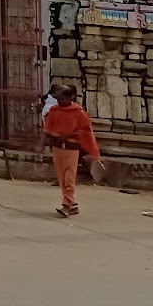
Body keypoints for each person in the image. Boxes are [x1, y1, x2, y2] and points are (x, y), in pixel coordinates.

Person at [43, 85, 103, 217]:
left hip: (72, 148)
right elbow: (48, 127)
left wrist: (69, 135)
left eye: (62, 99)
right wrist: (49, 137)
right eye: (57, 99)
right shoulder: (54, 110)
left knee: (69, 177)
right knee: (61, 177)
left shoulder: (79, 112)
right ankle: (73, 204)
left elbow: (86, 130)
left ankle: (66, 205)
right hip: (58, 147)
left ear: (70, 97)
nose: (59, 102)